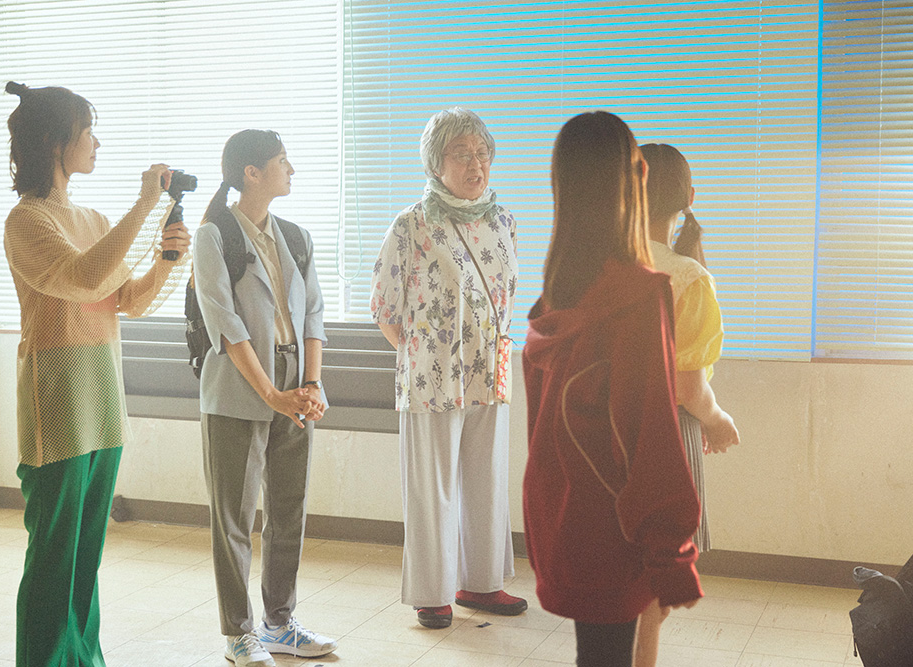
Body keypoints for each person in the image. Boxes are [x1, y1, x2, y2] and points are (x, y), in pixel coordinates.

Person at [2, 81, 190, 666]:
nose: (98, 143)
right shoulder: (26, 221)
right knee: (55, 555)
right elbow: (83, 278)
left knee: (87, 558)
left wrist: (165, 261)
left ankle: (85, 660)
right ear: (58, 141)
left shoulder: (93, 217)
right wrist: (145, 204)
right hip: (56, 402)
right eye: (89, 132)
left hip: (102, 397)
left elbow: (125, 298)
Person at [522, 111, 703, 667]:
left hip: (558, 512)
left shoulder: (552, 297)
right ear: (635, 179)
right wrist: (672, 552)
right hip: (613, 524)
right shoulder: (640, 294)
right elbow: (647, 431)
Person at [370, 107, 526, 630]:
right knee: (431, 483)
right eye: (462, 154)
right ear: (436, 164)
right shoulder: (413, 224)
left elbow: (506, 297)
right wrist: (420, 354)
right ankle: (432, 593)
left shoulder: (504, 221)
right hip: (431, 373)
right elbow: (385, 306)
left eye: (482, 153)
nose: (476, 163)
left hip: (491, 367)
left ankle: (481, 583)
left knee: (487, 477)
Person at [192, 129, 335, 667]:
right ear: (251, 173)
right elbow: (225, 327)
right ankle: (238, 632)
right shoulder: (214, 237)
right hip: (238, 387)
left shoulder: (295, 237)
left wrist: (311, 386)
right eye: (281, 161)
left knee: (288, 509)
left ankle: (280, 623)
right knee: (233, 516)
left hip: (296, 384)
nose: (291, 168)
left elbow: (314, 314)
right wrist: (272, 393)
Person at [633, 143, 740, 667]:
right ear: (688, 197)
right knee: (654, 582)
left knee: (621, 574)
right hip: (664, 439)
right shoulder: (689, 279)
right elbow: (686, 389)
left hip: (601, 434)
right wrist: (718, 421)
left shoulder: (596, 269)